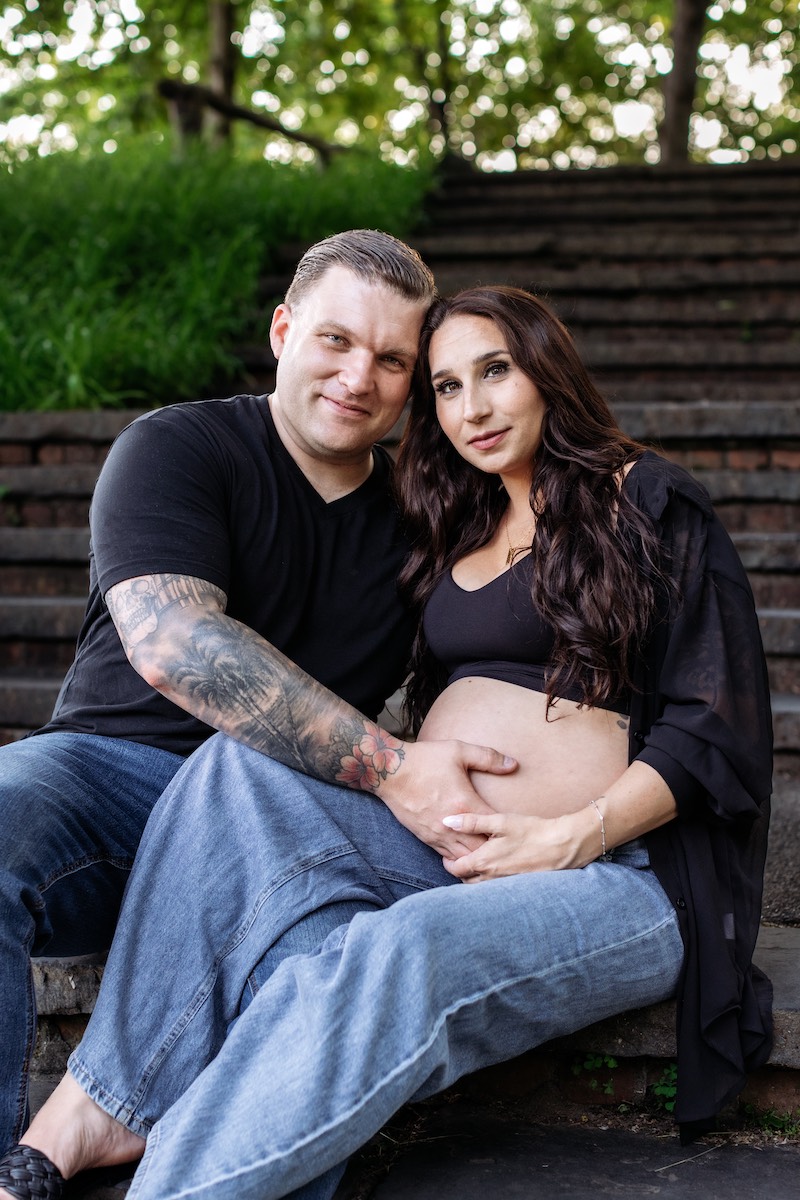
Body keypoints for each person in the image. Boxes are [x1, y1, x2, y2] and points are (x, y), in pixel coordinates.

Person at [0, 286, 773, 1200]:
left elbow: (717, 726)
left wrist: (572, 834)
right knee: (245, 768)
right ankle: (104, 1108)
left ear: (547, 369)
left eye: (494, 372)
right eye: (446, 387)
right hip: (448, 847)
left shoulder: (645, 501)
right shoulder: (456, 524)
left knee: (389, 952)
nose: (472, 407)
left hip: (624, 871)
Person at [0, 233, 520, 1160]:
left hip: (288, 823)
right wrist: (393, 766)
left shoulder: (422, 527)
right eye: (335, 340)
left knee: (318, 970)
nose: (359, 376)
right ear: (283, 331)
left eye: (392, 359)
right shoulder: (177, 446)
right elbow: (174, 645)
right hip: (109, 787)